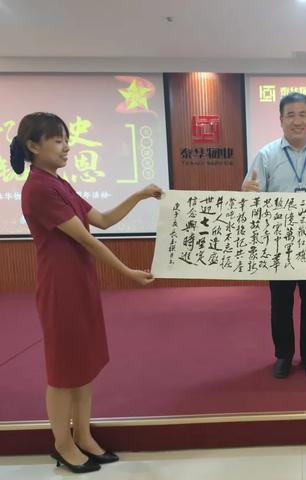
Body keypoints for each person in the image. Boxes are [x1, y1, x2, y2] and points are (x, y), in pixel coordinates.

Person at [9, 112, 162, 474]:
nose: (66, 147)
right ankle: (63, 444)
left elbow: (103, 220)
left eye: (66, 140)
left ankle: (83, 435)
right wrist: (127, 272)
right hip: (61, 289)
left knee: (84, 365)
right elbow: (87, 239)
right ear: (33, 146)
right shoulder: (39, 189)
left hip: (79, 283)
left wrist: (139, 195)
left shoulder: (58, 183)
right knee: (63, 372)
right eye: (58, 140)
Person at [241, 93, 306, 379]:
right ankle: (283, 355)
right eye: (291, 115)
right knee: (281, 303)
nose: (297, 121)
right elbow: (250, 196)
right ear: (281, 120)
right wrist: (247, 193)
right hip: (279, 243)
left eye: (302, 114)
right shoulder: (266, 155)